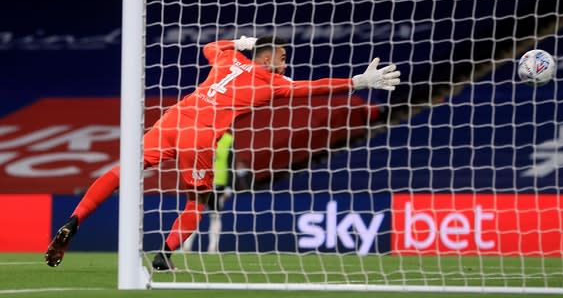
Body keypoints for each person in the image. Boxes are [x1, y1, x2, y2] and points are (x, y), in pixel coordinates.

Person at [44, 35, 401, 270]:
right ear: (267, 57)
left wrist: (238, 41)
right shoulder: (273, 83)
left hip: (172, 120)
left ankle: (73, 221)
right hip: (199, 137)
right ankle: (165, 255)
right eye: (283, 55)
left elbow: (212, 47)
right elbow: (313, 88)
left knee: (120, 173)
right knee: (198, 201)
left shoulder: (227, 60)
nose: (286, 61)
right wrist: (355, 82)